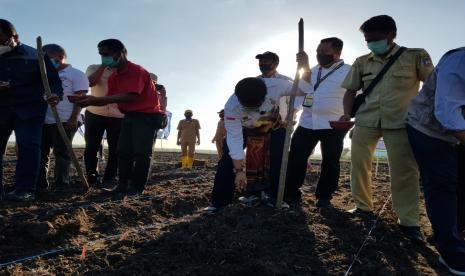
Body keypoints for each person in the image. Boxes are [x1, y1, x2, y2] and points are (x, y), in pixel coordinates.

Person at [339, 15, 434, 241]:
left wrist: (426, 115)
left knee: (405, 172)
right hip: (365, 121)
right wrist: (345, 112)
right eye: (368, 40)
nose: (372, 43)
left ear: (391, 35)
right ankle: (363, 207)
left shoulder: (416, 56)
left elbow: (432, 87)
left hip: (401, 122)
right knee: (359, 165)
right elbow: (350, 91)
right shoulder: (362, 61)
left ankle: (409, 222)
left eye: (376, 38)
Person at [204, 65, 312, 214]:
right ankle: (219, 202)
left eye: (255, 105)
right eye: (247, 106)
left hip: (273, 126)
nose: (252, 109)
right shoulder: (232, 107)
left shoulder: (277, 86)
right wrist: (239, 171)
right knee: (226, 161)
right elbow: (234, 140)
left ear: (265, 96)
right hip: (245, 127)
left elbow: (304, 89)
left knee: (279, 158)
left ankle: (276, 197)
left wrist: (305, 66)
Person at [76, 39, 165, 195]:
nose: (104, 58)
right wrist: (84, 101)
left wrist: (94, 100)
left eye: (107, 54)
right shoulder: (113, 76)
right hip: (128, 115)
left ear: (121, 53)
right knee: (122, 151)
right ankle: (122, 185)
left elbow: (130, 96)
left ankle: (137, 188)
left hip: (146, 116)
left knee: (141, 154)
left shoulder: (136, 71)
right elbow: (112, 98)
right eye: (101, 55)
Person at [405, 47, 465, 275]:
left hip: (458, 133)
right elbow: (447, 113)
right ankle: (450, 250)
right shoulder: (459, 62)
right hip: (428, 128)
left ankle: (453, 230)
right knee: (443, 185)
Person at [0, 19, 62, 201]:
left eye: (1, 41)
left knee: (28, 148)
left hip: (29, 110)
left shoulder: (36, 56)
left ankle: (24, 190)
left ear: (15, 37)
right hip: (1, 109)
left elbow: (54, 83)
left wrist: (55, 95)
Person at [285, 37, 351, 207]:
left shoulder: (349, 71)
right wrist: (293, 112)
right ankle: (291, 192)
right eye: (318, 51)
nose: (319, 55)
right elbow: (304, 92)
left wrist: (350, 116)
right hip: (308, 121)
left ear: (337, 53)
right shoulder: (313, 70)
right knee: (296, 156)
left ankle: (324, 196)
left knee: (330, 160)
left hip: (333, 124)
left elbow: (357, 96)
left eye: (324, 52)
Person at [237, 51, 304, 204]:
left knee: (276, 158)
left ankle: (274, 194)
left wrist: (291, 113)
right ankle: (253, 191)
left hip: (279, 125)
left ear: (275, 63)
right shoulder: (253, 81)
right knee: (255, 158)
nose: (262, 64)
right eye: (260, 62)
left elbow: (301, 96)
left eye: (265, 61)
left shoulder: (286, 81)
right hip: (257, 126)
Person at [36, 44, 89, 193]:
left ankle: (61, 183)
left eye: (47, 58)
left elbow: (81, 98)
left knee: (62, 153)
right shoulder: (44, 74)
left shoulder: (76, 74)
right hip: (43, 120)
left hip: (65, 119)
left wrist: (74, 118)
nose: (45, 62)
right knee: (41, 153)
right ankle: (40, 183)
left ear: (60, 57)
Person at [84, 60, 124, 186]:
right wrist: (103, 66)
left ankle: (110, 177)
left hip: (118, 115)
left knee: (116, 149)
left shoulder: (125, 71)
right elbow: (90, 83)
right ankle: (92, 176)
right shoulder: (93, 67)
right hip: (94, 113)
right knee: (92, 146)